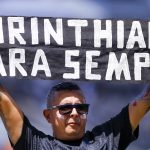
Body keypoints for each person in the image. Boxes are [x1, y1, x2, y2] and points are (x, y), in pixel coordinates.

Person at [0, 82, 150, 150]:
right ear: (48, 116)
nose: (74, 113)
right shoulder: (35, 145)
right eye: (65, 108)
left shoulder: (105, 143)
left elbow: (145, 100)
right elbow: (3, 100)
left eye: (80, 107)